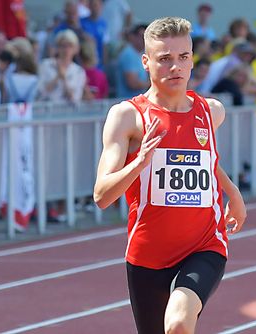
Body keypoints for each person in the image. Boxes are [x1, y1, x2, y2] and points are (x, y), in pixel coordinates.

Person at [93, 17, 246, 334]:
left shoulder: (211, 111)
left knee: (178, 323)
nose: (175, 67)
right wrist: (139, 163)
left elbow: (204, 161)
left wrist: (233, 192)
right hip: (148, 253)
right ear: (146, 63)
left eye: (183, 57)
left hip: (205, 244)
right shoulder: (128, 117)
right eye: (164, 59)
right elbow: (102, 196)